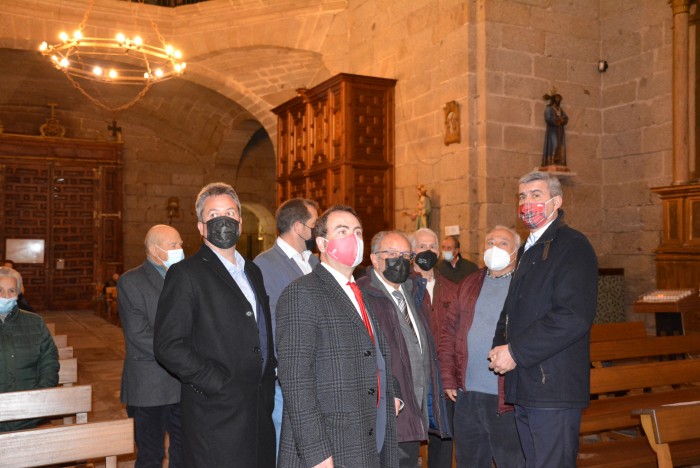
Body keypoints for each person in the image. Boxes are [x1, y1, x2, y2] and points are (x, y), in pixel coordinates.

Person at [154, 182, 276, 468]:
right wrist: (216, 382)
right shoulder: (186, 274)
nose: (223, 219)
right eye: (213, 215)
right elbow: (168, 346)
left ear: (240, 221)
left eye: (230, 212)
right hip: (215, 412)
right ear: (201, 226)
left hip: (258, 407)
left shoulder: (253, 270)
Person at [276, 205, 399, 468]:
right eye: (342, 231)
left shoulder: (359, 294)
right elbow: (296, 381)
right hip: (330, 446)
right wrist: (318, 455)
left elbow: (372, 353)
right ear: (321, 242)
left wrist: (392, 392)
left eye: (357, 232)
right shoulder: (302, 293)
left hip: (365, 440)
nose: (353, 238)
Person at [489, 171, 598, 468]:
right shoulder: (527, 248)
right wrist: (500, 346)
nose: (527, 203)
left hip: (553, 386)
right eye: (522, 196)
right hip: (526, 382)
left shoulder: (572, 245)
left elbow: (572, 316)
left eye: (536, 195)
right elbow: (510, 311)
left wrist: (515, 351)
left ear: (556, 201)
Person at [357, 230, 450, 468]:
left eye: (406, 254)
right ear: (375, 259)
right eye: (392, 253)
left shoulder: (412, 291)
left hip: (414, 407)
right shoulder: (363, 295)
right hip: (387, 409)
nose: (400, 260)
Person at [440, 225, 524, 468]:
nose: (494, 247)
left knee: (513, 462)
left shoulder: (524, 285)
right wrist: (448, 377)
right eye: (490, 242)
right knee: (469, 462)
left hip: (506, 397)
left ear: (516, 252)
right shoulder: (469, 283)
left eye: (503, 243)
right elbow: (448, 332)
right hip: (467, 395)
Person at [253, 197, 319, 457]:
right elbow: (267, 323)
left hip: (318, 373)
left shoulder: (315, 262)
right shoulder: (264, 264)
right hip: (288, 378)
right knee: (287, 449)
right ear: (299, 227)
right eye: (314, 224)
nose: (318, 231)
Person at [118, 224, 184, 468]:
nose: (180, 249)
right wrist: (184, 355)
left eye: (181, 244)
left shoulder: (185, 276)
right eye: (174, 245)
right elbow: (139, 335)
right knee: (150, 456)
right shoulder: (131, 282)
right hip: (149, 386)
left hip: (183, 384)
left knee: (185, 452)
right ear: (155, 250)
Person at [410, 227, 458, 468]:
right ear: (411, 252)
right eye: (421, 246)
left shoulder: (451, 288)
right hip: (413, 373)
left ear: (438, 251)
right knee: (408, 440)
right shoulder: (404, 285)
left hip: (442, 372)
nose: (427, 251)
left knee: (443, 435)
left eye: (432, 247)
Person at [0, 266, 59, 432]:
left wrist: (38, 398)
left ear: (18, 294)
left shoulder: (35, 322)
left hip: (31, 412)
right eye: (0, 290)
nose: (5, 296)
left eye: (11, 290)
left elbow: (49, 362)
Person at [542, 93, 568, 167]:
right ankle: (551, 161)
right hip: (553, 131)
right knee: (554, 144)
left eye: (559, 99)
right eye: (557, 99)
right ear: (553, 99)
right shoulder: (549, 109)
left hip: (560, 131)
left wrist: (562, 120)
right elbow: (548, 118)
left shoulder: (560, 110)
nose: (558, 101)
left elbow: (566, 118)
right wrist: (557, 120)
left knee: (560, 145)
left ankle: (560, 162)